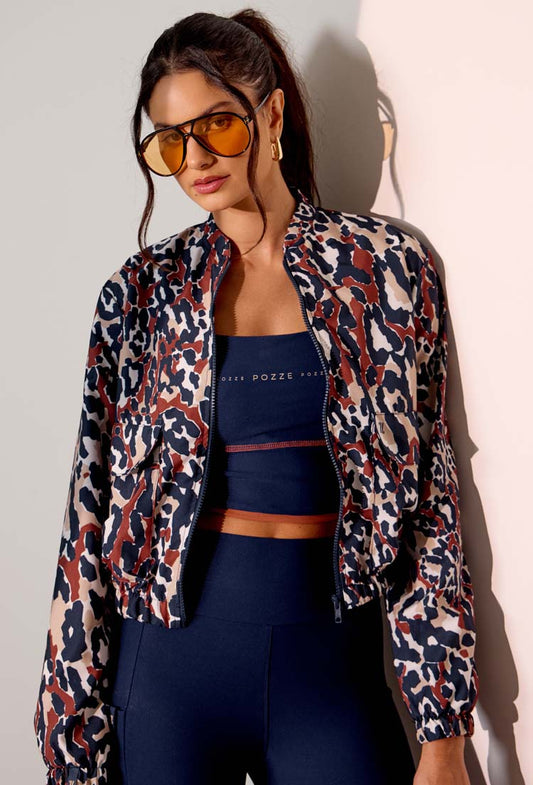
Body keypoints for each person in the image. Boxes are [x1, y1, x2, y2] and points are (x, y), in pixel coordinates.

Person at [33, 8, 480, 785]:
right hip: (167, 675)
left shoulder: (382, 271)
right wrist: (72, 742)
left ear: (270, 115)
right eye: (170, 141)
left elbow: (429, 501)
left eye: (217, 125)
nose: (196, 159)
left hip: (330, 673)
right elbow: (88, 517)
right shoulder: (142, 294)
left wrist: (442, 732)